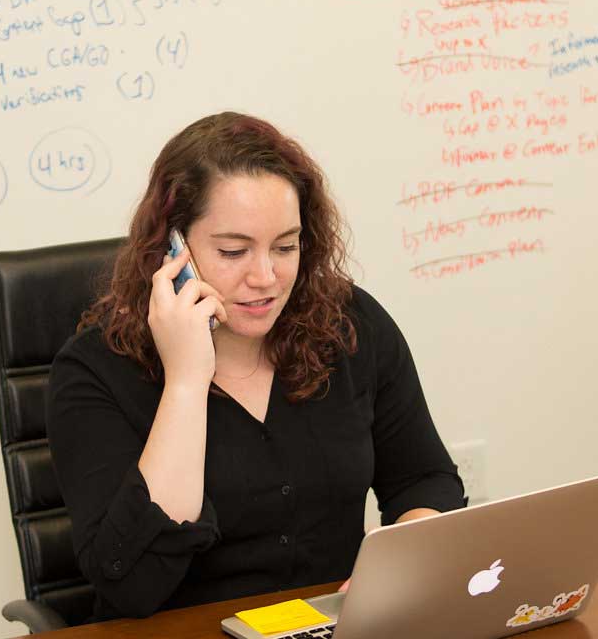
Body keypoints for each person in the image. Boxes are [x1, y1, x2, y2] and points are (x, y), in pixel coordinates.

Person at [48, 112, 465, 620]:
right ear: (173, 248)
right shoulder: (94, 372)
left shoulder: (351, 326)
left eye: (285, 246)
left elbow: (425, 480)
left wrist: (401, 564)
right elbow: (131, 585)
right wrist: (185, 383)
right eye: (233, 250)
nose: (265, 276)